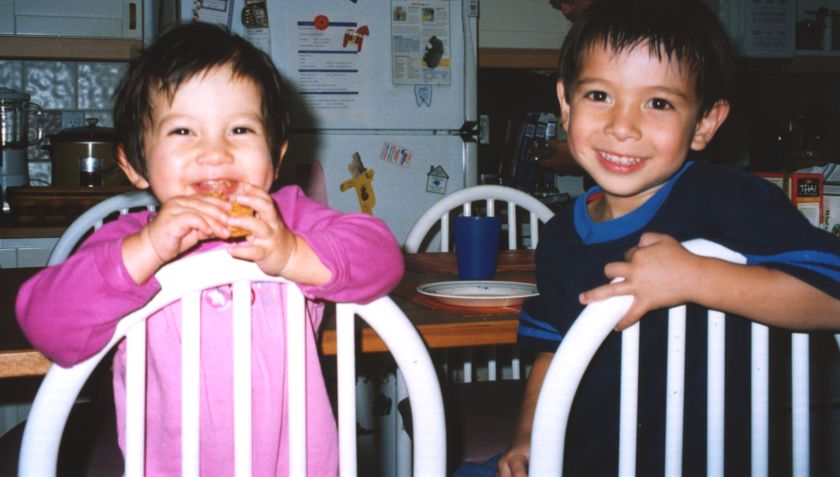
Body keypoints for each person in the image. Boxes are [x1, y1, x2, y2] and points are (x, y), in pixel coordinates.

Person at [16, 22, 403, 476]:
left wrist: (292, 255)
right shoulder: (128, 243)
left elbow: (383, 257)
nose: (216, 152)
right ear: (134, 163)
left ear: (276, 158)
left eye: (239, 129)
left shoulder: (289, 222)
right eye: (183, 131)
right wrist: (147, 251)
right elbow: (45, 322)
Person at [498, 0, 840, 476]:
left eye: (658, 103)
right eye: (599, 95)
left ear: (704, 123)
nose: (622, 126)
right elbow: (553, 348)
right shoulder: (559, 235)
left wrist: (696, 277)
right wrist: (530, 435)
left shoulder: (722, 199)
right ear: (566, 104)